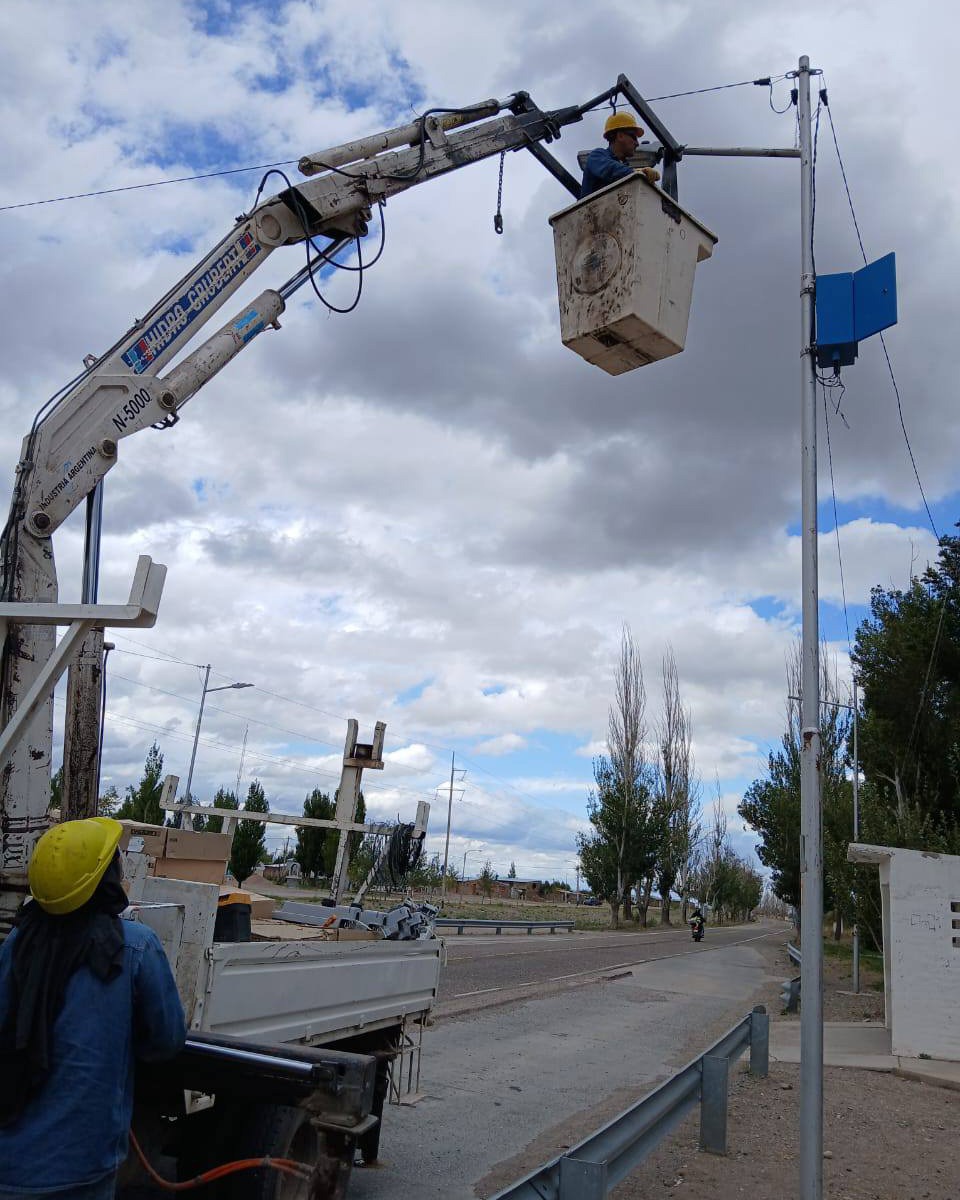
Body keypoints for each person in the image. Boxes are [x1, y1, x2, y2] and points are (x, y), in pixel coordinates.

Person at [0, 817, 186, 1199]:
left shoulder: (19, 940)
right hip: (80, 1166)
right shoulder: (135, 946)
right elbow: (166, 1041)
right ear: (107, 880)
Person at [580, 111, 661, 199]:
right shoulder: (597, 156)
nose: (637, 143)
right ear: (620, 136)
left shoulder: (624, 167)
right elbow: (610, 169)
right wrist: (636, 173)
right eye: (634, 137)